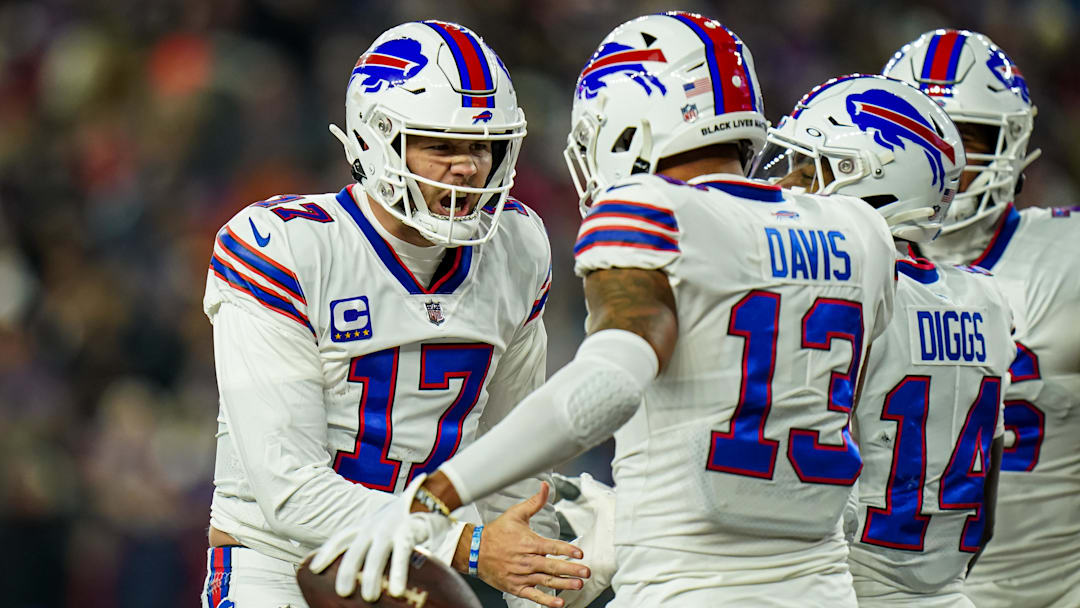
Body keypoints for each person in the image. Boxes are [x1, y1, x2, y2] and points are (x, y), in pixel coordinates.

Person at [311, 12, 898, 606]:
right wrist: (630, 518)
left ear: (628, 127)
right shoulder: (861, 231)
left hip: (684, 592)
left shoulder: (651, 212)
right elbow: (853, 453)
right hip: (825, 590)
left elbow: (610, 383)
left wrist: (434, 497)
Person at [200, 20, 587, 608]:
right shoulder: (285, 246)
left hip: (423, 575)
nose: (468, 168)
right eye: (441, 146)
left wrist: (540, 578)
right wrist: (467, 546)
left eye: (481, 146)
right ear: (376, 142)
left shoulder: (518, 246)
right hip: (284, 566)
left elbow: (513, 459)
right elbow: (290, 491)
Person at [756, 73, 1014, 606]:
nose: (788, 185)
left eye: (810, 168)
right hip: (949, 593)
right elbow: (985, 502)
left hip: (842, 585)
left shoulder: (839, 294)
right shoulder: (987, 300)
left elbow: (778, 482)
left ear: (873, 183)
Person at [885, 30, 1080, 608]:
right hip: (886, 589)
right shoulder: (845, 263)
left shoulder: (1066, 258)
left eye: (964, 139)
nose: (942, 161)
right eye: (919, 136)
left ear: (1009, 146)